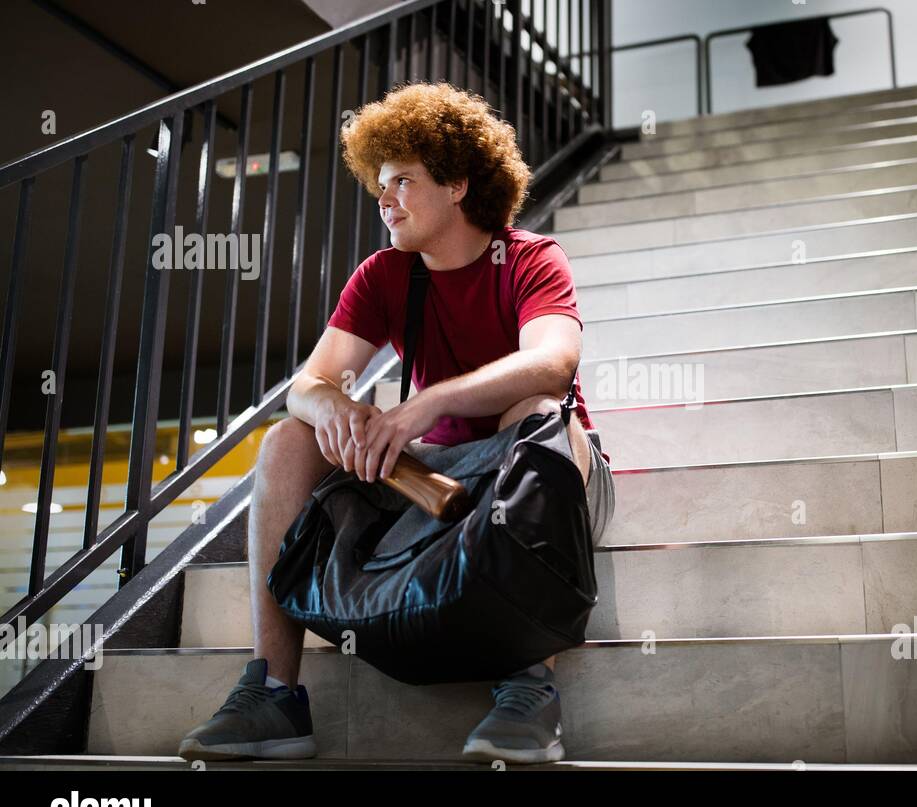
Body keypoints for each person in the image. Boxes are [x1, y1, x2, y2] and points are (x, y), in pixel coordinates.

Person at [177, 82, 614, 766]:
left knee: (531, 411)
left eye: (404, 180)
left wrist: (425, 403)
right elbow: (307, 386)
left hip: (546, 477)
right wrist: (340, 410)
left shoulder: (529, 258)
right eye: (380, 184)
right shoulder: (385, 275)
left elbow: (553, 364)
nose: (385, 199)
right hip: (433, 487)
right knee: (290, 439)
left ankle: (529, 685)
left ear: (460, 182)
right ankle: (274, 693)